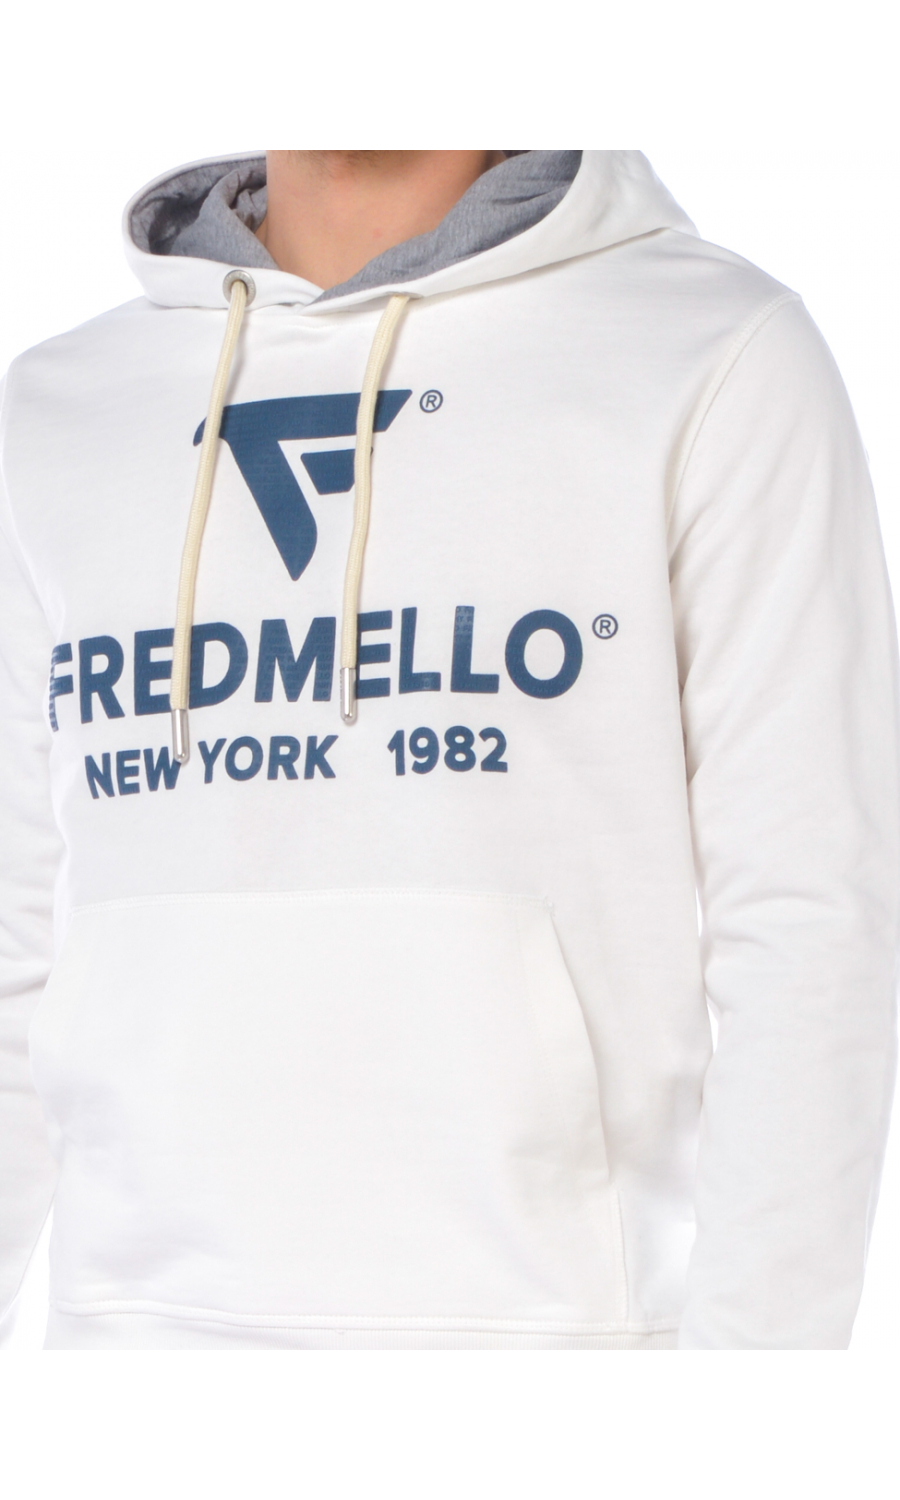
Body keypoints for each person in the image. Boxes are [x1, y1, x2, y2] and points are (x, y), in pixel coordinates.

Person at [0, 149, 897, 1351]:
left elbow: (812, 929)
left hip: (562, 1354)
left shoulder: (711, 355)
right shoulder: (58, 410)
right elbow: (15, 937)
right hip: (125, 1348)